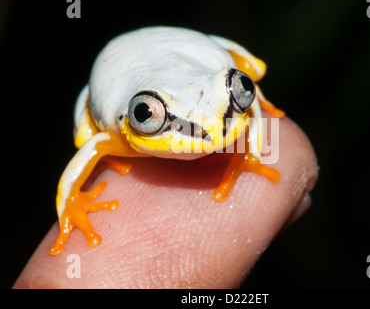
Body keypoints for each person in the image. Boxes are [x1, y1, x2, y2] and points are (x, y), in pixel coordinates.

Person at [13, 114, 318, 288]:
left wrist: (247, 151)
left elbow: (248, 109)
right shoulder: (114, 135)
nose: (193, 134)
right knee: (85, 132)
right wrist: (70, 203)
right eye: (146, 113)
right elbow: (90, 147)